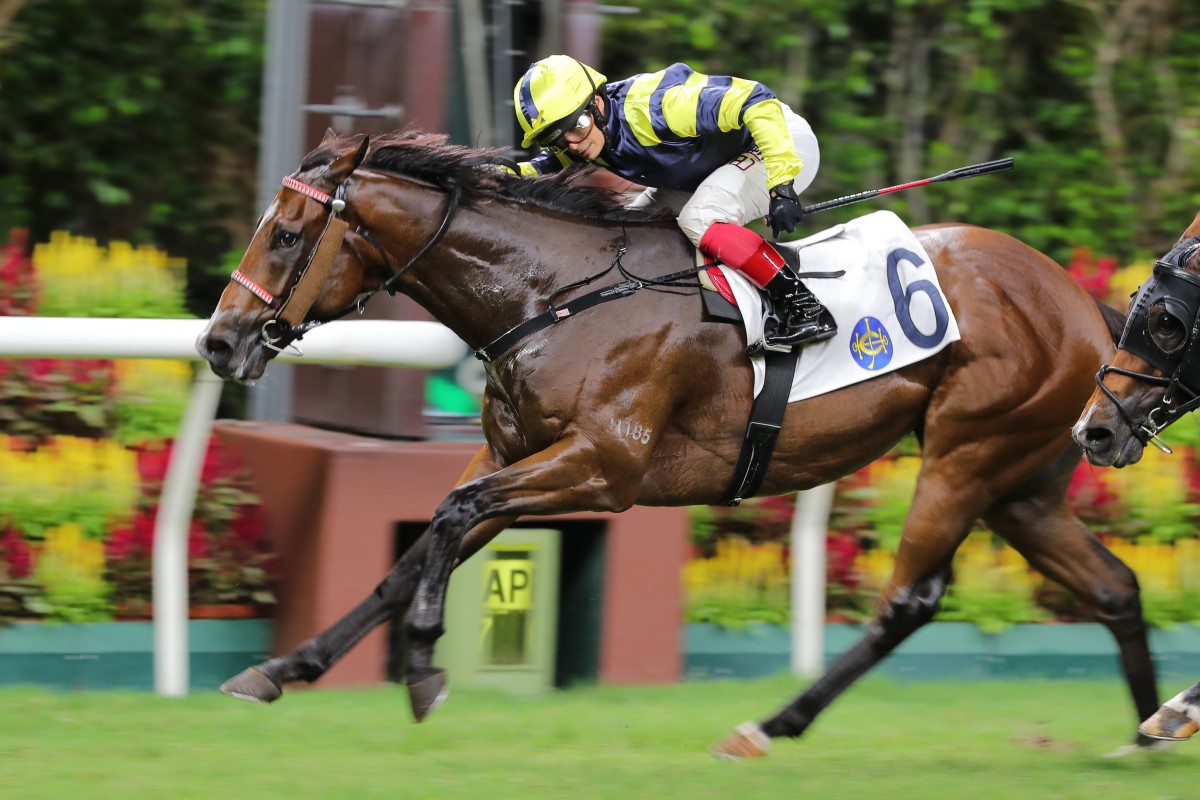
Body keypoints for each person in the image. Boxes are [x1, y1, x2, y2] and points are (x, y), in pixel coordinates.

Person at [511, 54, 836, 351]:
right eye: (556, 138)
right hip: (710, 170)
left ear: (597, 102)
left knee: (699, 218)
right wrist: (508, 172)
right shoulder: (580, 136)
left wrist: (781, 185)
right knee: (625, 239)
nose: (573, 144)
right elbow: (546, 165)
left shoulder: (658, 106)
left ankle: (803, 306)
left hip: (778, 142)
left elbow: (757, 101)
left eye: (577, 126)